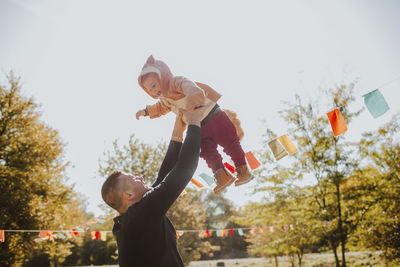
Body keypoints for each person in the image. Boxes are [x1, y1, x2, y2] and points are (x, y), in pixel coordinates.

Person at [135, 55, 253, 194]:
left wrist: (191, 108)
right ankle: (221, 175)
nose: (154, 91)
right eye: (150, 90)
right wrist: (146, 112)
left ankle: (243, 170)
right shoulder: (165, 100)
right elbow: (160, 108)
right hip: (197, 126)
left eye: (154, 85)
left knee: (230, 143)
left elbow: (192, 89)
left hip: (213, 116)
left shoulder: (176, 82)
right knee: (206, 152)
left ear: (162, 76)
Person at [101, 109, 203, 267]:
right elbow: (184, 168)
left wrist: (178, 129)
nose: (139, 177)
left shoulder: (135, 216)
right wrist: (195, 123)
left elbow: (163, 178)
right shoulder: (141, 214)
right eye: (133, 178)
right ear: (128, 195)